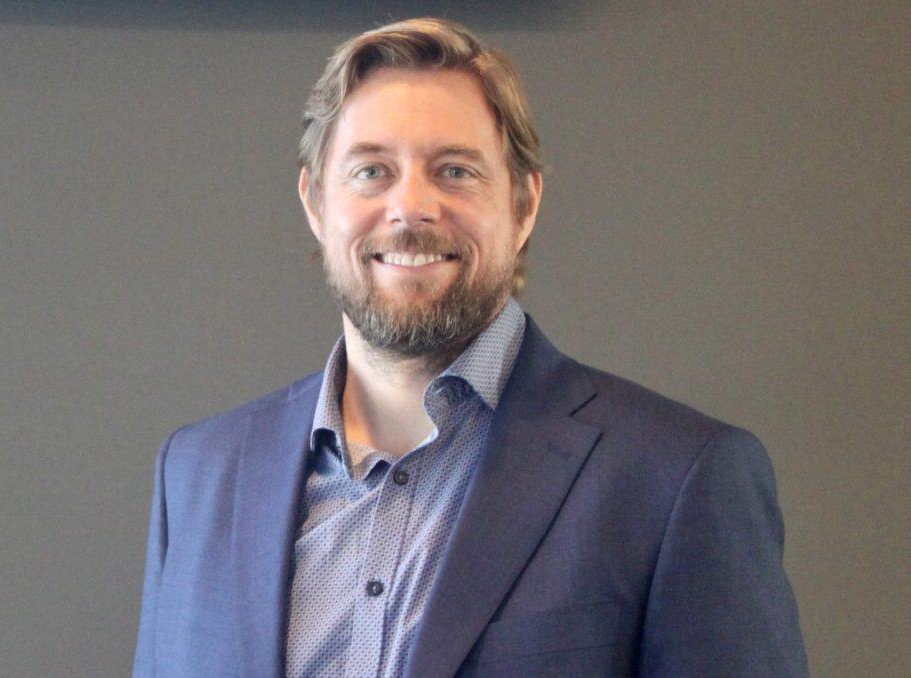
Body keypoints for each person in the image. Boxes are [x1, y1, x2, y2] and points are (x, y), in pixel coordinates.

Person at [132, 17, 808, 678]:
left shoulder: (675, 480)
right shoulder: (199, 475)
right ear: (315, 202)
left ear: (523, 204)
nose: (411, 208)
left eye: (454, 171)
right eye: (371, 171)